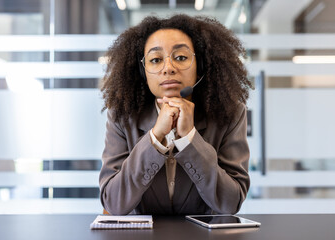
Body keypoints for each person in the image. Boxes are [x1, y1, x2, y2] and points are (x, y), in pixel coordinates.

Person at [99, 14, 252, 215]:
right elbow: (113, 202)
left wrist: (189, 138)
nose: (168, 68)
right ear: (143, 72)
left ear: (200, 67)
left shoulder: (230, 114)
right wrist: (154, 138)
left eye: (181, 57)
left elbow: (230, 204)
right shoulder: (121, 117)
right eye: (155, 60)